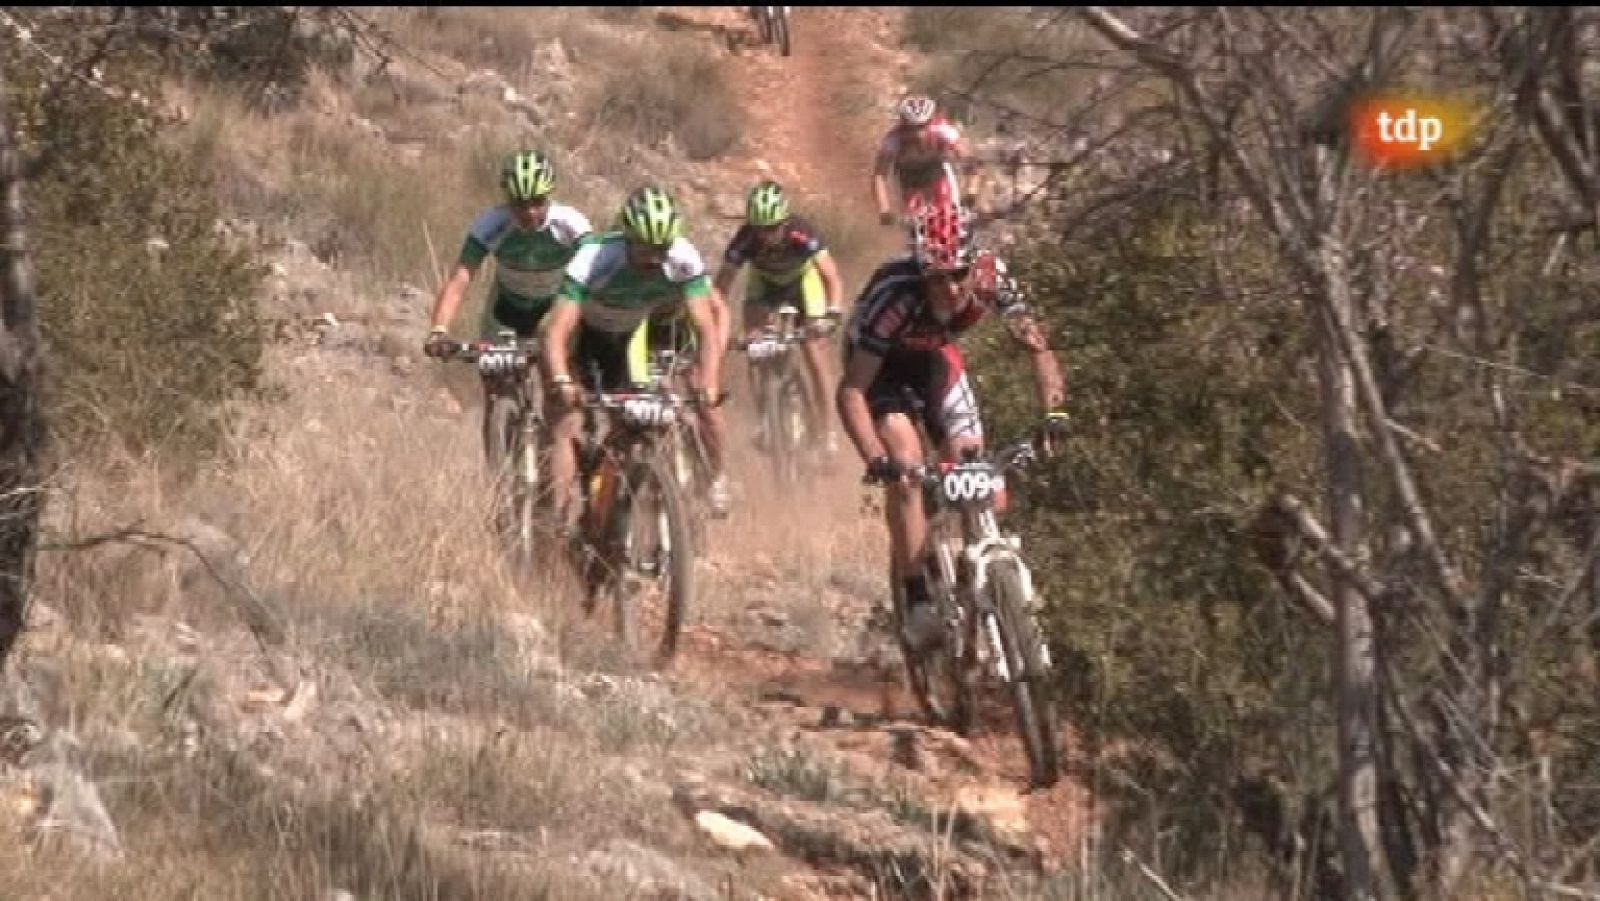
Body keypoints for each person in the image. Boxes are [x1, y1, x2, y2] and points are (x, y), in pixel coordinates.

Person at [837, 202, 1068, 653]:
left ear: (973, 264)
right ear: (921, 270)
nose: (948, 288)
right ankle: (917, 596)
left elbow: (1038, 348)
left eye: (957, 274)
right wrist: (875, 459)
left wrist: (1055, 414)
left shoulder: (991, 277)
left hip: (934, 362)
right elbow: (851, 392)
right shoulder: (897, 297)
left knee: (981, 478)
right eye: (935, 277)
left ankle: (974, 576)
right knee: (905, 464)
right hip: (879, 368)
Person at [541, 185, 732, 523]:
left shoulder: (683, 257)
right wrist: (560, 379)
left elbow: (705, 328)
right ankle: (560, 519)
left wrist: (709, 383)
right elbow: (557, 332)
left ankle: (619, 511)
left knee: (633, 424)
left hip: (629, 339)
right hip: (584, 339)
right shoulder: (594, 259)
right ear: (627, 238)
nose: (656, 257)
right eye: (646, 249)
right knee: (567, 423)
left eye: (662, 248)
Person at [423, 150, 593, 459]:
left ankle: (556, 454)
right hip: (505, 311)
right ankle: (500, 471)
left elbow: (594, 280)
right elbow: (460, 279)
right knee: (495, 387)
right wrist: (439, 329)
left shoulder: (571, 225)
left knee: (556, 387)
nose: (528, 212)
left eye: (537, 202)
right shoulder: (491, 224)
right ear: (507, 201)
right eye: (519, 204)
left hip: (553, 312)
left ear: (550, 197)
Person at [712, 180, 846, 455]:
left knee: (813, 352)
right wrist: (718, 329)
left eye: (772, 228)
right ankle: (765, 419)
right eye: (759, 229)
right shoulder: (745, 238)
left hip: (803, 284)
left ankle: (827, 431)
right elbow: (721, 286)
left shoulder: (801, 232)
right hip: (765, 285)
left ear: (785, 223)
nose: (765, 236)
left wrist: (831, 313)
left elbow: (830, 275)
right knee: (755, 347)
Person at [871, 94, 976, 228]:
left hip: (936, 172)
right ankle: (918, 245)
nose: (917, 134)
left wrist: (972, 190)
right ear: (903, 125)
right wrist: (884, 210)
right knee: (914, 218)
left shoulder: (942, 129)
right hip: (908, 177)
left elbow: (968, 159)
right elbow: (879, 176)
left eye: (922, 127)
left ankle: (958, 240)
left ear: (931, 122)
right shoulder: (893, 140)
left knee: (947, 210)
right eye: (911, 128)